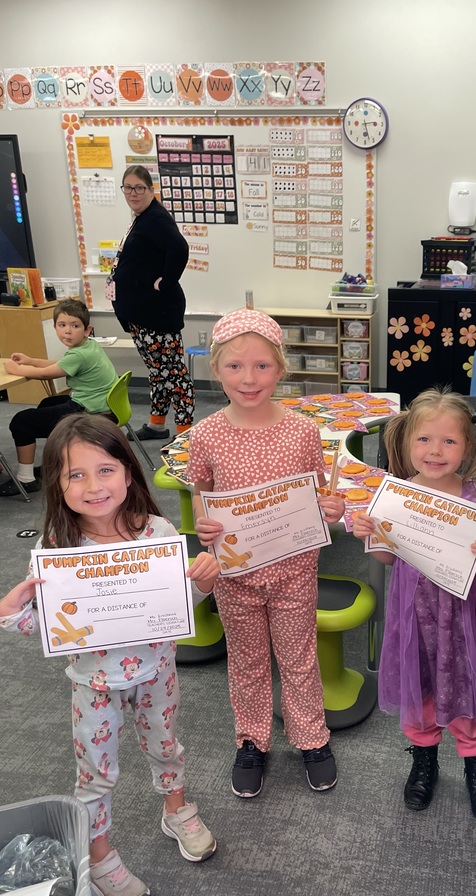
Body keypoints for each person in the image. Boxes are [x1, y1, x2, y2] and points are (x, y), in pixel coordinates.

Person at [0, 414, 220, 896]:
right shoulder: (58, 549)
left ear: (126, 472)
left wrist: (204, 582)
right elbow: (50, 625)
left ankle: (176, 809)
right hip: (93, 682)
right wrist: (11, 613)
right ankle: (99, 857)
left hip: (158, 670)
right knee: (96, 773)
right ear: (56, 483)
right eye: (75, 475)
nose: (94, 486)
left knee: (166, 745)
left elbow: (179, 603)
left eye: (105, 470)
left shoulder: (157, 531)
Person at [187, 308, 345, 797]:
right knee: (248, 659)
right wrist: (202, 520)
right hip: (236, 574)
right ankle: (252, 739)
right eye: (235, 367)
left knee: (298, 657)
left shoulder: (301, 431)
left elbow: (317, 497)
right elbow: (201, 491)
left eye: (261, 366)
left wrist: (331, 507)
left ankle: (311, 737)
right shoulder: (206, 434)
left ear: (281, 369)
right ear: (216, 369)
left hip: (295, 569)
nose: (249, 378)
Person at [352, 388, 476, 823]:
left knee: (467, 685)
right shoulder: (396, 495)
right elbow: (386, 559)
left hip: (461, 616)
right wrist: (372, 535)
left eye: (448, 441)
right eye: (424, 440)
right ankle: (424, 759)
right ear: (405, 444)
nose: (435, 451)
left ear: (468, 446)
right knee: (418, 684)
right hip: (412, 612)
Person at [1, 299, 117, 497]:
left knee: (21, 421)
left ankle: (26, 479)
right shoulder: (87, 347)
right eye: (62, 325)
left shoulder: (79, 355)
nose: (68, 331)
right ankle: (57, 460)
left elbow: (48, 374)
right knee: (48, 404)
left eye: (75, 326)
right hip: (103, 406)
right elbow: (59, 364)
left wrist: (17, 368)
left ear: (87, 330)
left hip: (90, 412)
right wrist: (30, 361)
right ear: (55, 327)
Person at [110, 164, 193, 440]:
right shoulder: (141, 217)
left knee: (174, 374)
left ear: (150, 189)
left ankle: (186, 433)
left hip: (156, 314)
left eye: (139, 188)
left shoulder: (155, 218)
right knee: (158, 372)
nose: (133, 193)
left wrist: (166, 281)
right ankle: (157, 424)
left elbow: (179, 248)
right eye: (128, 187)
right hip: (141, 314)